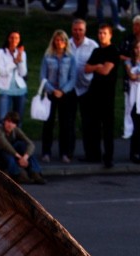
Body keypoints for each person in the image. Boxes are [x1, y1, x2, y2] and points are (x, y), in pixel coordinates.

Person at [84, 23, 120, 167]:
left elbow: (106, 71)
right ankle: (95, 154)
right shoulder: (96, 51)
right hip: (94, 92)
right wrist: (97, 66)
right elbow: (87, 68)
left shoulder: (113, 51)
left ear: (110, 35)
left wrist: (97, 67)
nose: (101, 35)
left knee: (107, 127)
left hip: (107, 94)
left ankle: (108, 156)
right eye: (99, 33)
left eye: (104, 33)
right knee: (94, 125)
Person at [40, 29, 76, 164]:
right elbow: (42, 77)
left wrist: (63, 90)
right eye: (57, 40)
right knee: (48, 124)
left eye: (61, 40)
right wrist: (52, 89)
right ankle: (46, 152)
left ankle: (64, 153)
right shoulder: (47, 57)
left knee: (65, 124)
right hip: (51, 93)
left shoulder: (70, 58)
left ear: (66, 42)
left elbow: (73, 78)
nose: (59, 42)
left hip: (65, 94)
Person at [0, 111, 45, 184]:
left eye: (13, 123)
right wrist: (19, 157)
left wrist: (25, 157)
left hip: (11, 151)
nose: (10, 125)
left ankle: (35, 172)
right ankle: (17, 174)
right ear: (4, 121)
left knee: (22, 145)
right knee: (7, 153)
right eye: (8, 121)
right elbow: (5, 145)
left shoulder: (15, 130)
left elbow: (30, 144)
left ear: (15, 125)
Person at [69, 19, 98, 159]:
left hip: (87, 88)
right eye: (75, 29)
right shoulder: (66, 44)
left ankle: (90, 153)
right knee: (69, 122)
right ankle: (68, 152)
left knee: (88, 122)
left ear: (85, 30)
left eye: (80, 30)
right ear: (71, 30)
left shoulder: (92, 45)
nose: (77, 32)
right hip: (70, 88)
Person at [0, 30, 28, 123]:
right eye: (12, 37)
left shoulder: (22, 53)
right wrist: (15, 62)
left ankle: (16, 133)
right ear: (8, 39)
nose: (14, 40)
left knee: (18, 118)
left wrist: (20, 57)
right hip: (5, 89)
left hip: (20, 89)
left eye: (17, 38)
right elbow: (2, 72)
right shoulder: (0, 52)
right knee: (3, 117)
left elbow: (23, 73)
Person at [119, 16, 140, 139]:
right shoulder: (128, 40)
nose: (134, 27)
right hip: (130, 79)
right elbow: (120, 54)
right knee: (129, 105)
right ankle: (128, 131)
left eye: (137, 25)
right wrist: (130, 60)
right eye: (134, 25)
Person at [124, 40, 140, 162]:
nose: (138, 50)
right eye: (136, 47)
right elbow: (132, 76)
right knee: (136, 126)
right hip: (134, 97)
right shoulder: (129, 62)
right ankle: (134, 153)